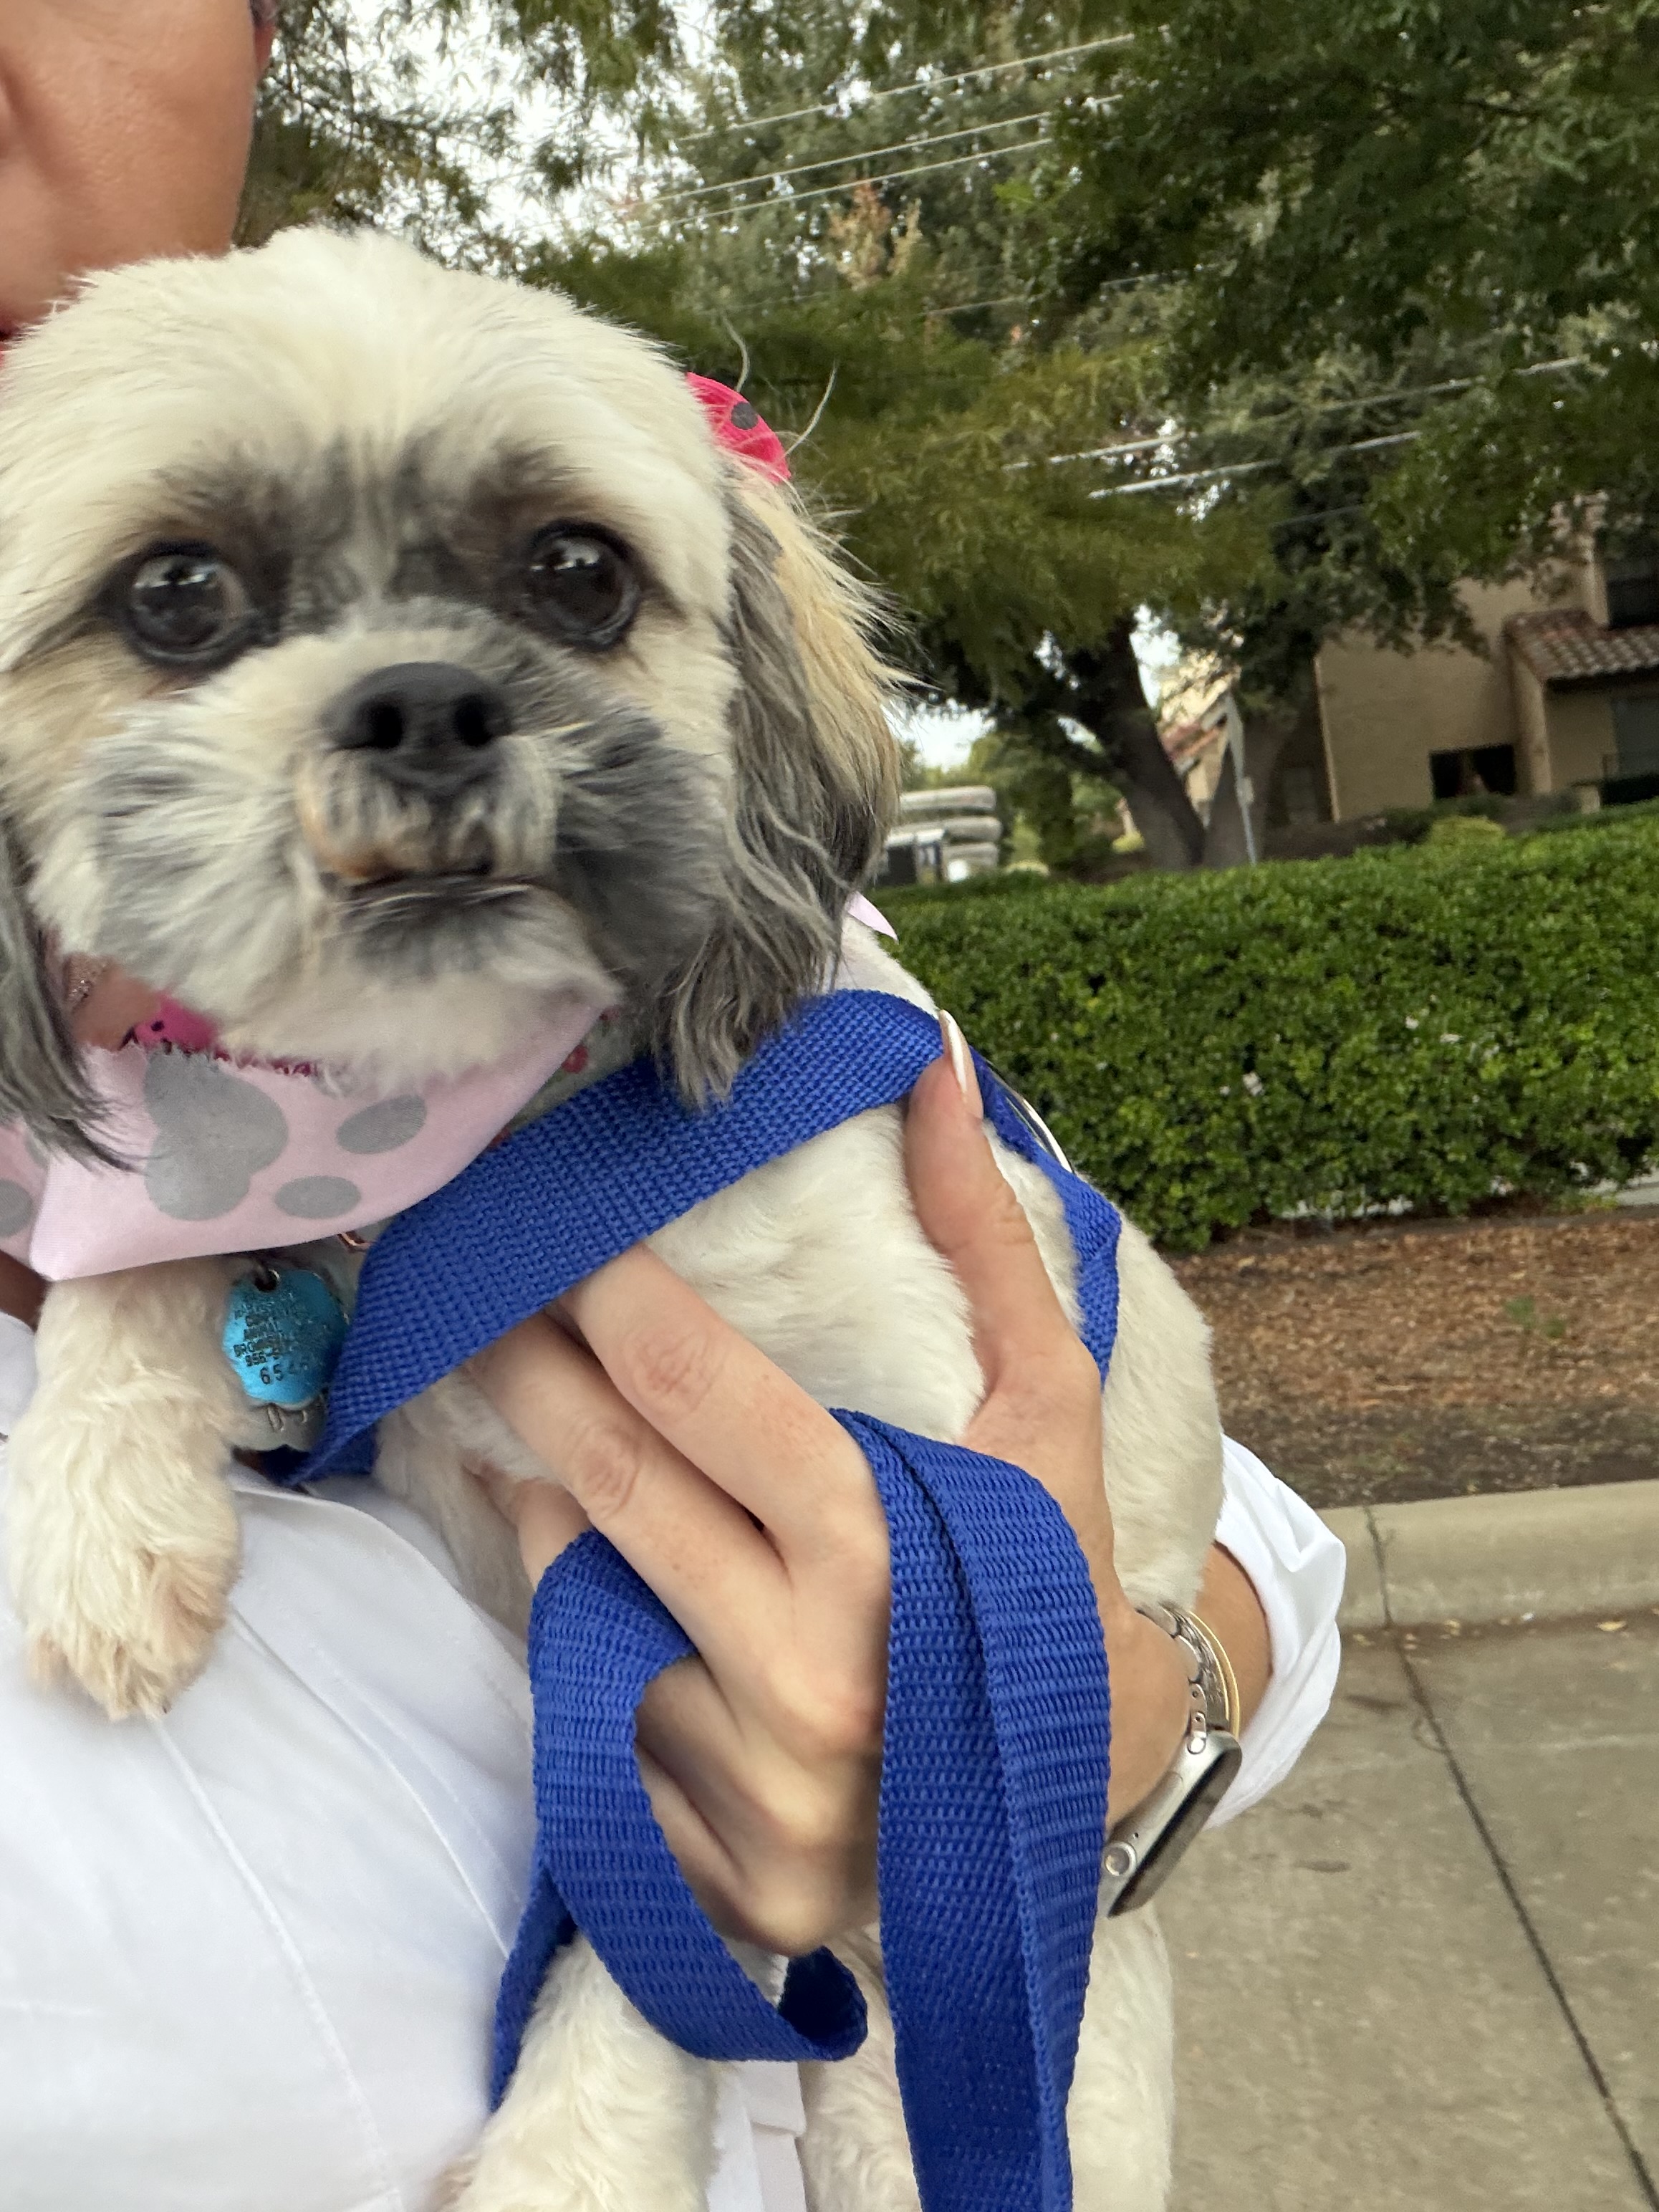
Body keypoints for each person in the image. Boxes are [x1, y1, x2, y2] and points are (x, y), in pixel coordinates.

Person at [0, 8, 1345, 2206]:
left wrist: (1117, 1706)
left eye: (570, 580)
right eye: (181, 603)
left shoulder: (787, 1051)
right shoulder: (150, 1154)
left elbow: (1225, 1547)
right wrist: (130, 1359)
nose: (420, 712)